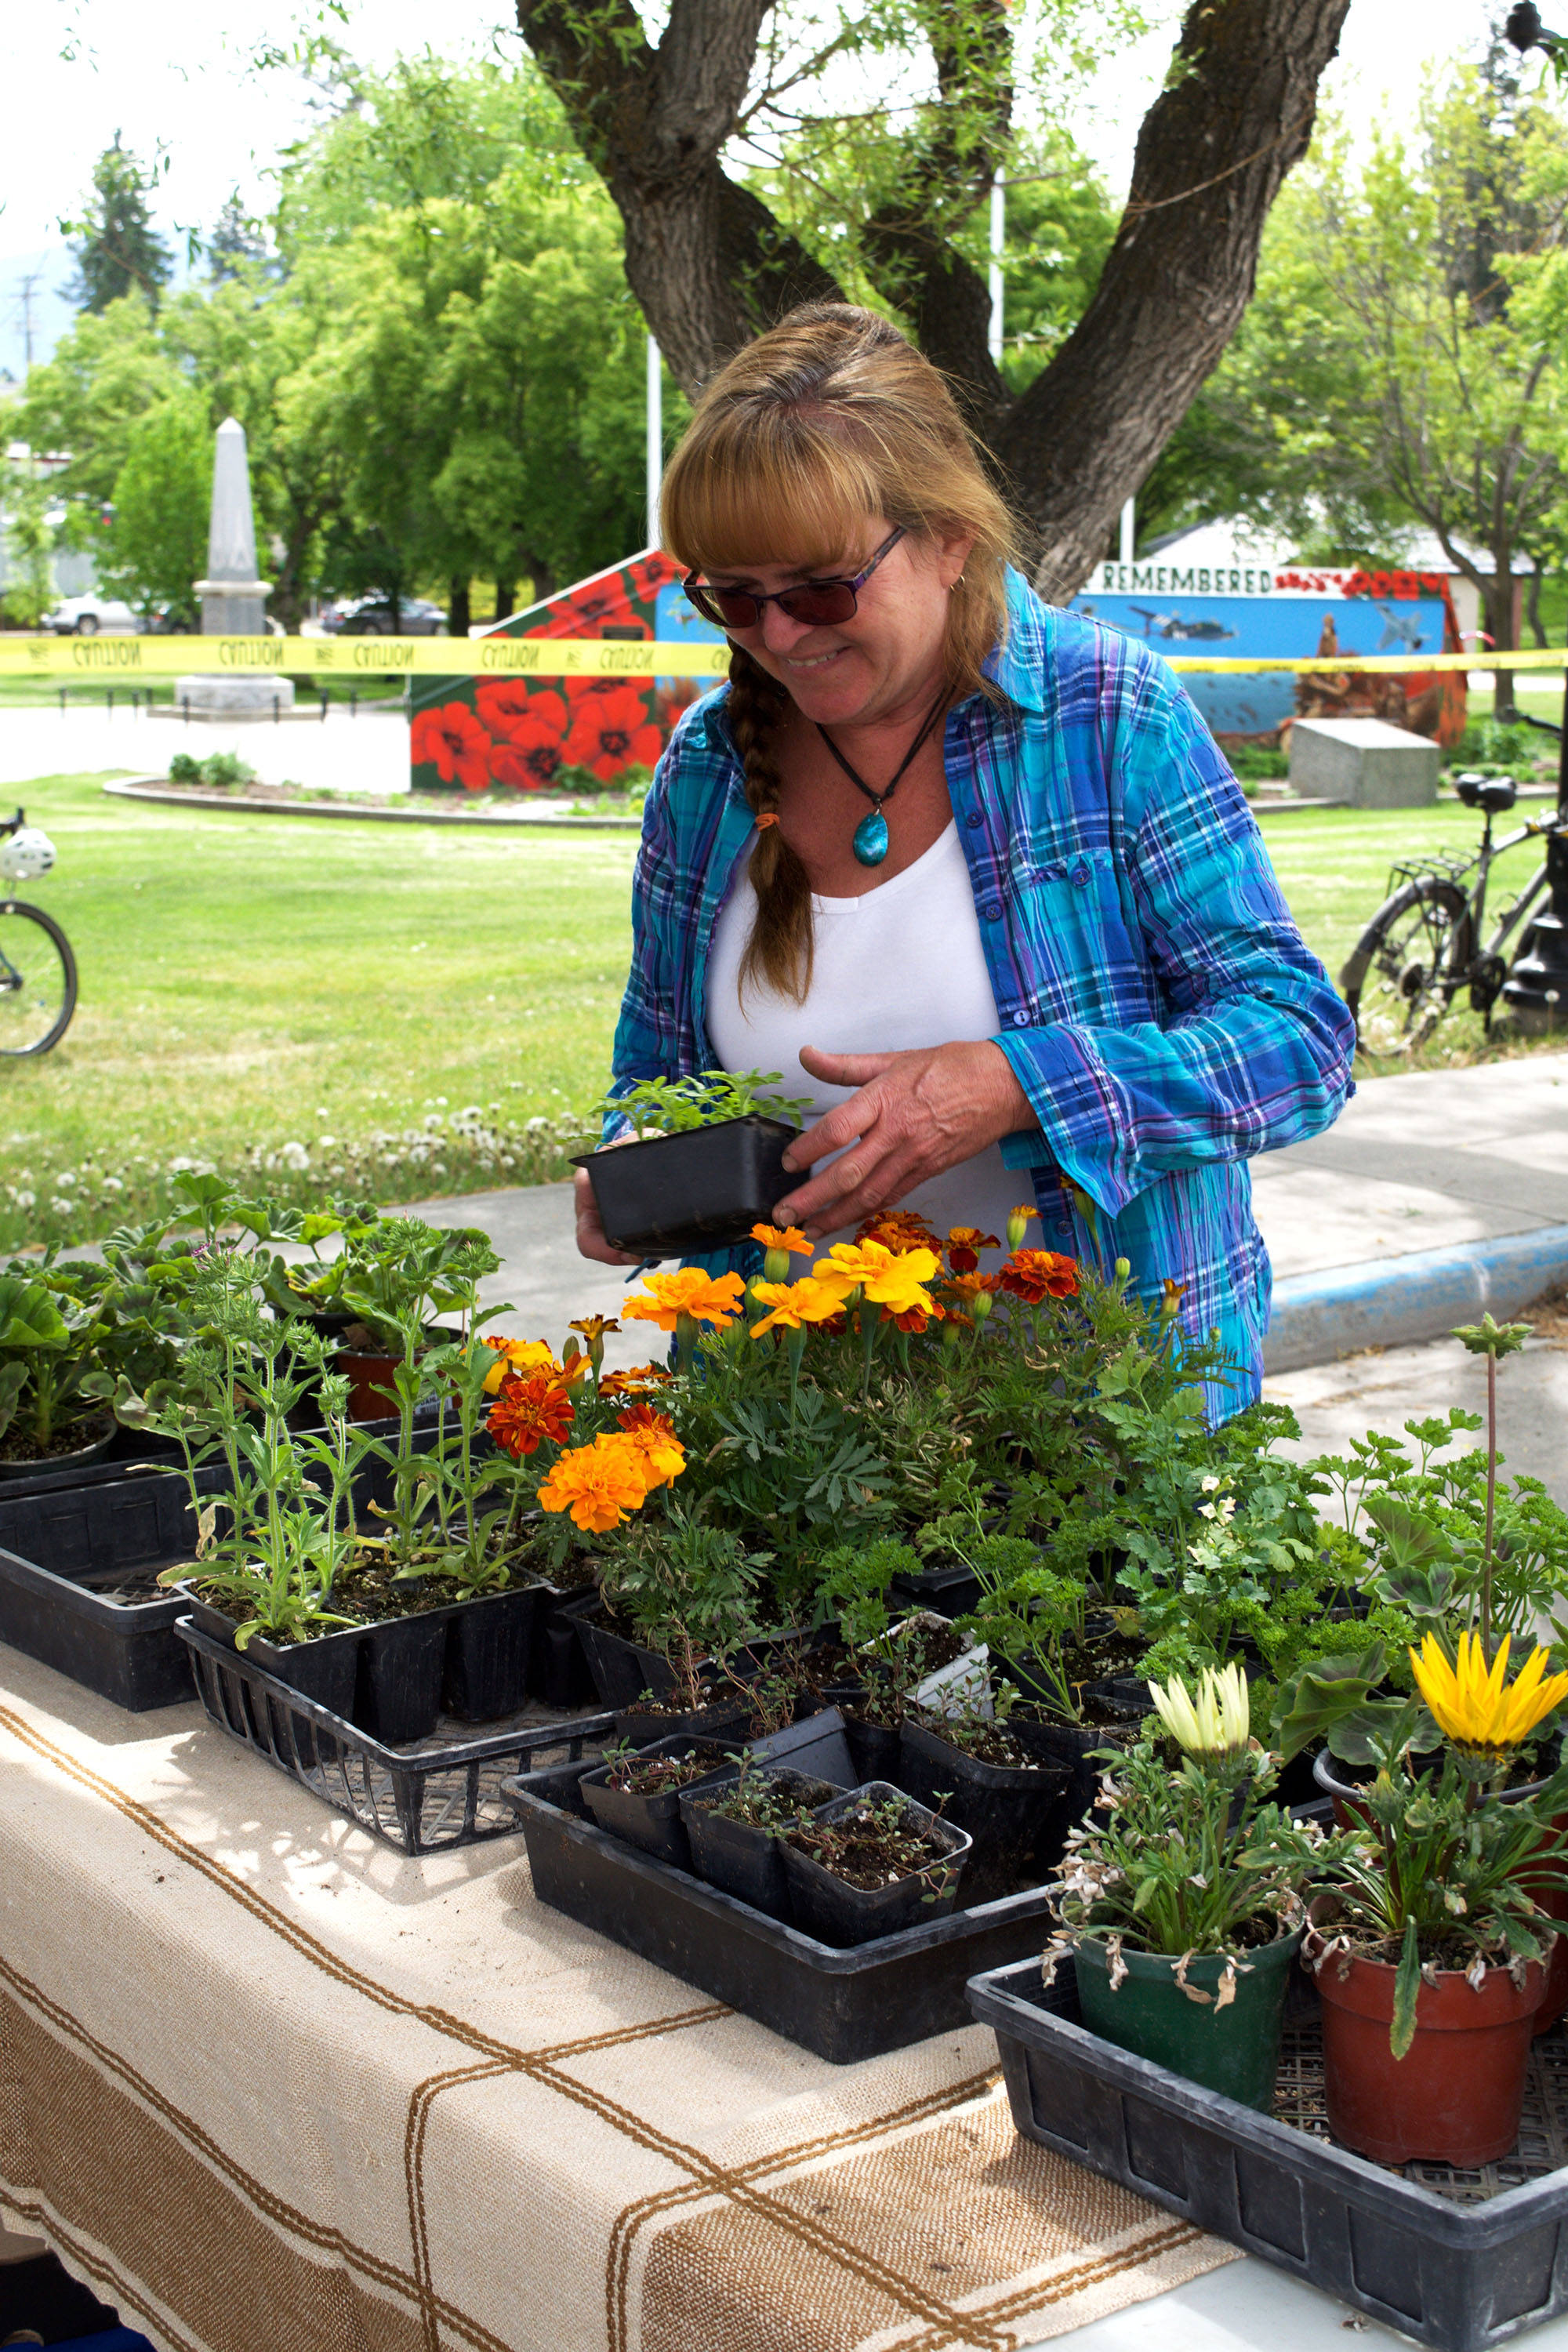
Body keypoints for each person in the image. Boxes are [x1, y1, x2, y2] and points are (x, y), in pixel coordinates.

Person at [574, 303, 1355, 1409]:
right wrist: (636, 1161)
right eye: (731, 597)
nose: (780, 635)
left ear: (951, 540)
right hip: (790, 1433)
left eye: (820, 587)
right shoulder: (704, 772)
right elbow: (653, 1073)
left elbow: (1298, 1044)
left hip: (1096, 1422)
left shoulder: (1106, 716)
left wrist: (1017, 1082)